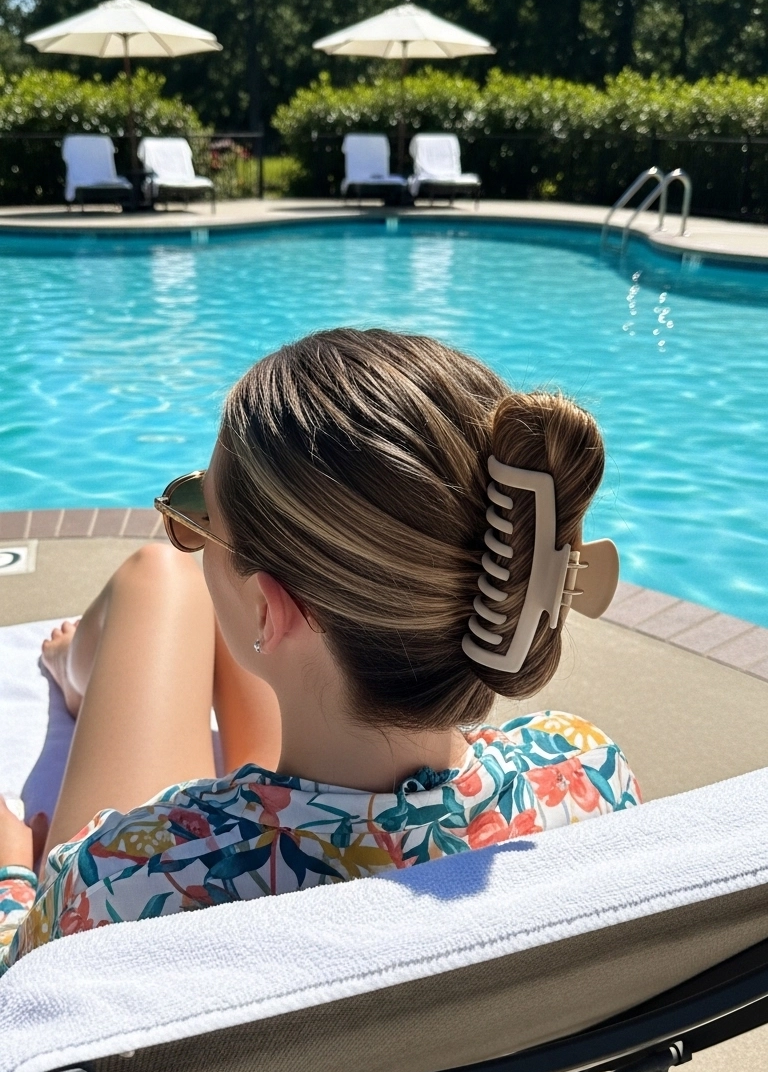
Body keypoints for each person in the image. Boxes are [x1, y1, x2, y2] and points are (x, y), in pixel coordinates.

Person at [0, 328, 640, 975]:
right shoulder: (588, 770)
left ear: (266, 610)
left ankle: (77, 671)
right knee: (168, 578)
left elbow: (18, 984)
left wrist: (13, 872)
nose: (190, 534)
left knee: (158, 574)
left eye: (201, 518)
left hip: (244, 863)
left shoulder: (127, 878)